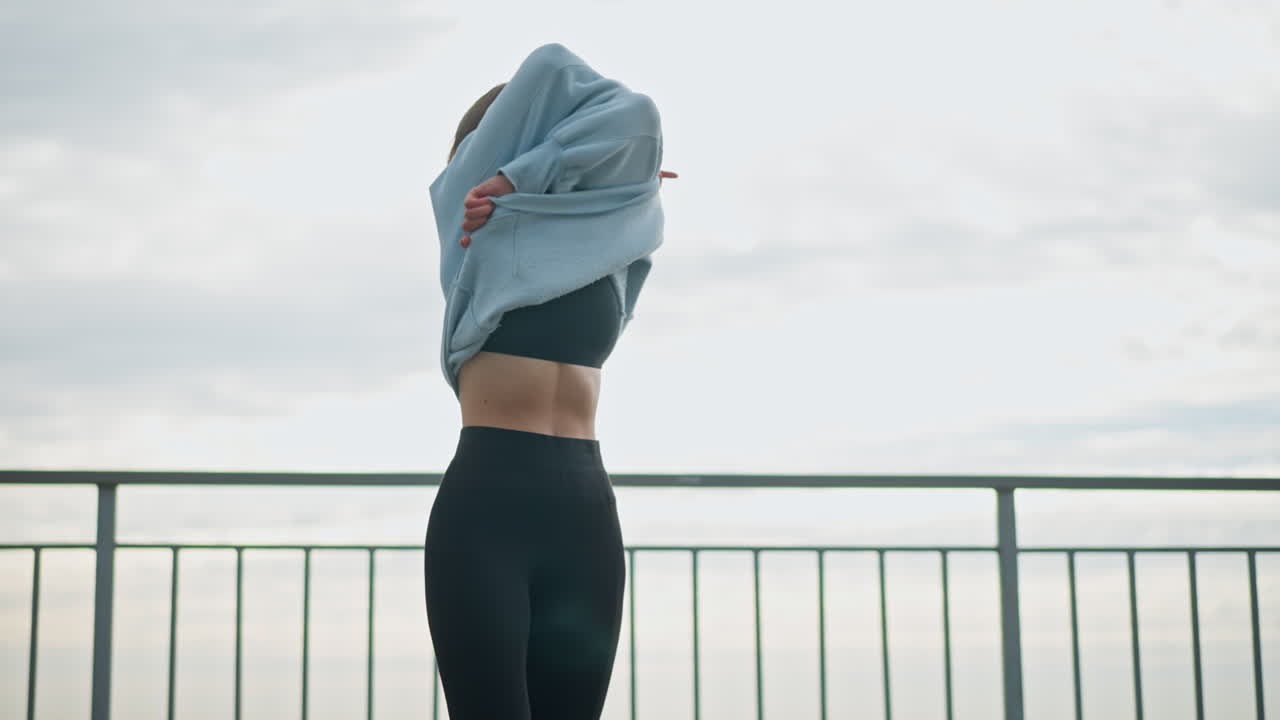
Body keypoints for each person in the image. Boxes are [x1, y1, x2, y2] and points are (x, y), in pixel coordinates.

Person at [422, 43, 676, 719]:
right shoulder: (473, 213)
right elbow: (554, 65)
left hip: (586, 516)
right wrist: (512, 178)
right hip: (487, 513)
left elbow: (634, 118)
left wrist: (626, 171)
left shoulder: (605, 235)